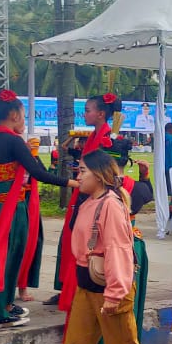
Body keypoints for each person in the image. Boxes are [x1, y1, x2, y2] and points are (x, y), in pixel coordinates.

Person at [30, 149, 172, 344]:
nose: (78, 175)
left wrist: (115, 294)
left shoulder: (111, 205)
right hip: (87, 288)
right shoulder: (89, 201)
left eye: (83, 170)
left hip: (110, 290)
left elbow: (119, 250)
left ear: (99, 175)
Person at [0, 90, 76, 329]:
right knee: (8, 258)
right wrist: (72, 183)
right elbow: (39, 173)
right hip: (10, 211)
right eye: (23, 115)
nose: (23, 120)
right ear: (13, 115)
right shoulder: (14, 142)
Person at [86, 140, 151, 344]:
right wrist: (144, 176)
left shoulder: (99, 188)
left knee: (104, 312)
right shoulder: (139, 188)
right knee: (129, 313)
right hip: (134, 248)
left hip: (106, 251)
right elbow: (147, 193)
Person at [48, 93, 118, 311]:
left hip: (91, 197)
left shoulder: (107, 138)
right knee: (71, 240)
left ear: (101, 114)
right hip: (82, 193)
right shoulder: (94, 135)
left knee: (82, 244)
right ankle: (67, 288)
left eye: (88, 110)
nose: (84, 114)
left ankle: (76, 290)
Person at [16, 136, 47, 303]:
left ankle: (23, 287)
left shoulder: (32, 159)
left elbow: (42, 173)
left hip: (29, 201)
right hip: (13, 201)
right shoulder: (10, 158)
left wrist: (34, 155)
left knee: (31, 243)